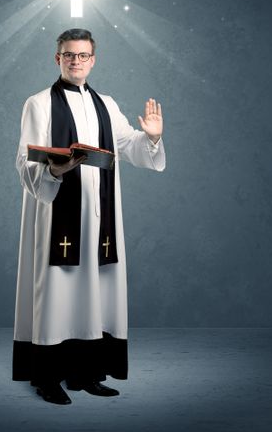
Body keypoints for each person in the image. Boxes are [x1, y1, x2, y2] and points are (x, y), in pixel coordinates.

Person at [12, 28, 166, 405]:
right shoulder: (38, 104)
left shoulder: (107, 104)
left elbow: (126, 145)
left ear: (93, 60)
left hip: (100, 218)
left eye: (83, 55)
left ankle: (87, 373)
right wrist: (53, 170)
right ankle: (47, 378)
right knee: (56, 290)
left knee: (96, 290)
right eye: (69, 54)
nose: (76, 61)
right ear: (57, 58)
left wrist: (151, 138)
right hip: (58, 215)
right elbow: (24, 158)